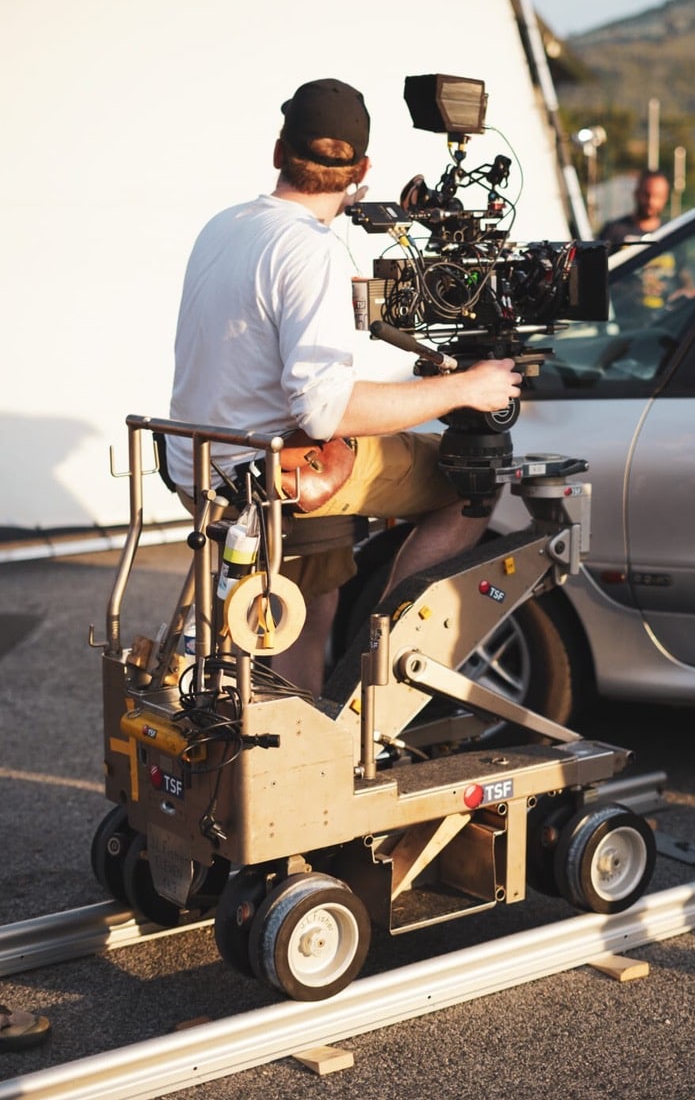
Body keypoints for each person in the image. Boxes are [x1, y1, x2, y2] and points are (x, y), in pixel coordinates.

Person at [166, 78, 521, 692]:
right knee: (472, 483)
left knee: (310, 606)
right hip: (269, 474)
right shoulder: (309, 249)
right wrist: (468, 387)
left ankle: (312, 699)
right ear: (362, 168)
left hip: (199, 460)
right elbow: (325, 409)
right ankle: (374, 678)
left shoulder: (225, 225)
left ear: (280, 152)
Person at [599, 168, 670, 254]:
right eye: (646, 194)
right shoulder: (613, 232)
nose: (651, 201)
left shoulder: (671, 233)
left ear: (665, 198)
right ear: (636, 193)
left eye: (658, 196)